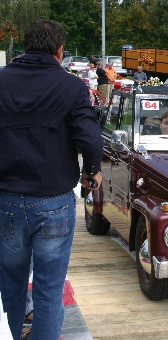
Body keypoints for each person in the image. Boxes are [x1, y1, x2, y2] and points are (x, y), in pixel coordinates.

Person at [0, 19, 103, 340]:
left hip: (6, 199)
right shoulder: (71, 86)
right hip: (53, 201)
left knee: (11, 285)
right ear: (60, 50)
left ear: (26, 46)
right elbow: (90, 138)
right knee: (48, 288)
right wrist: (92, 173)